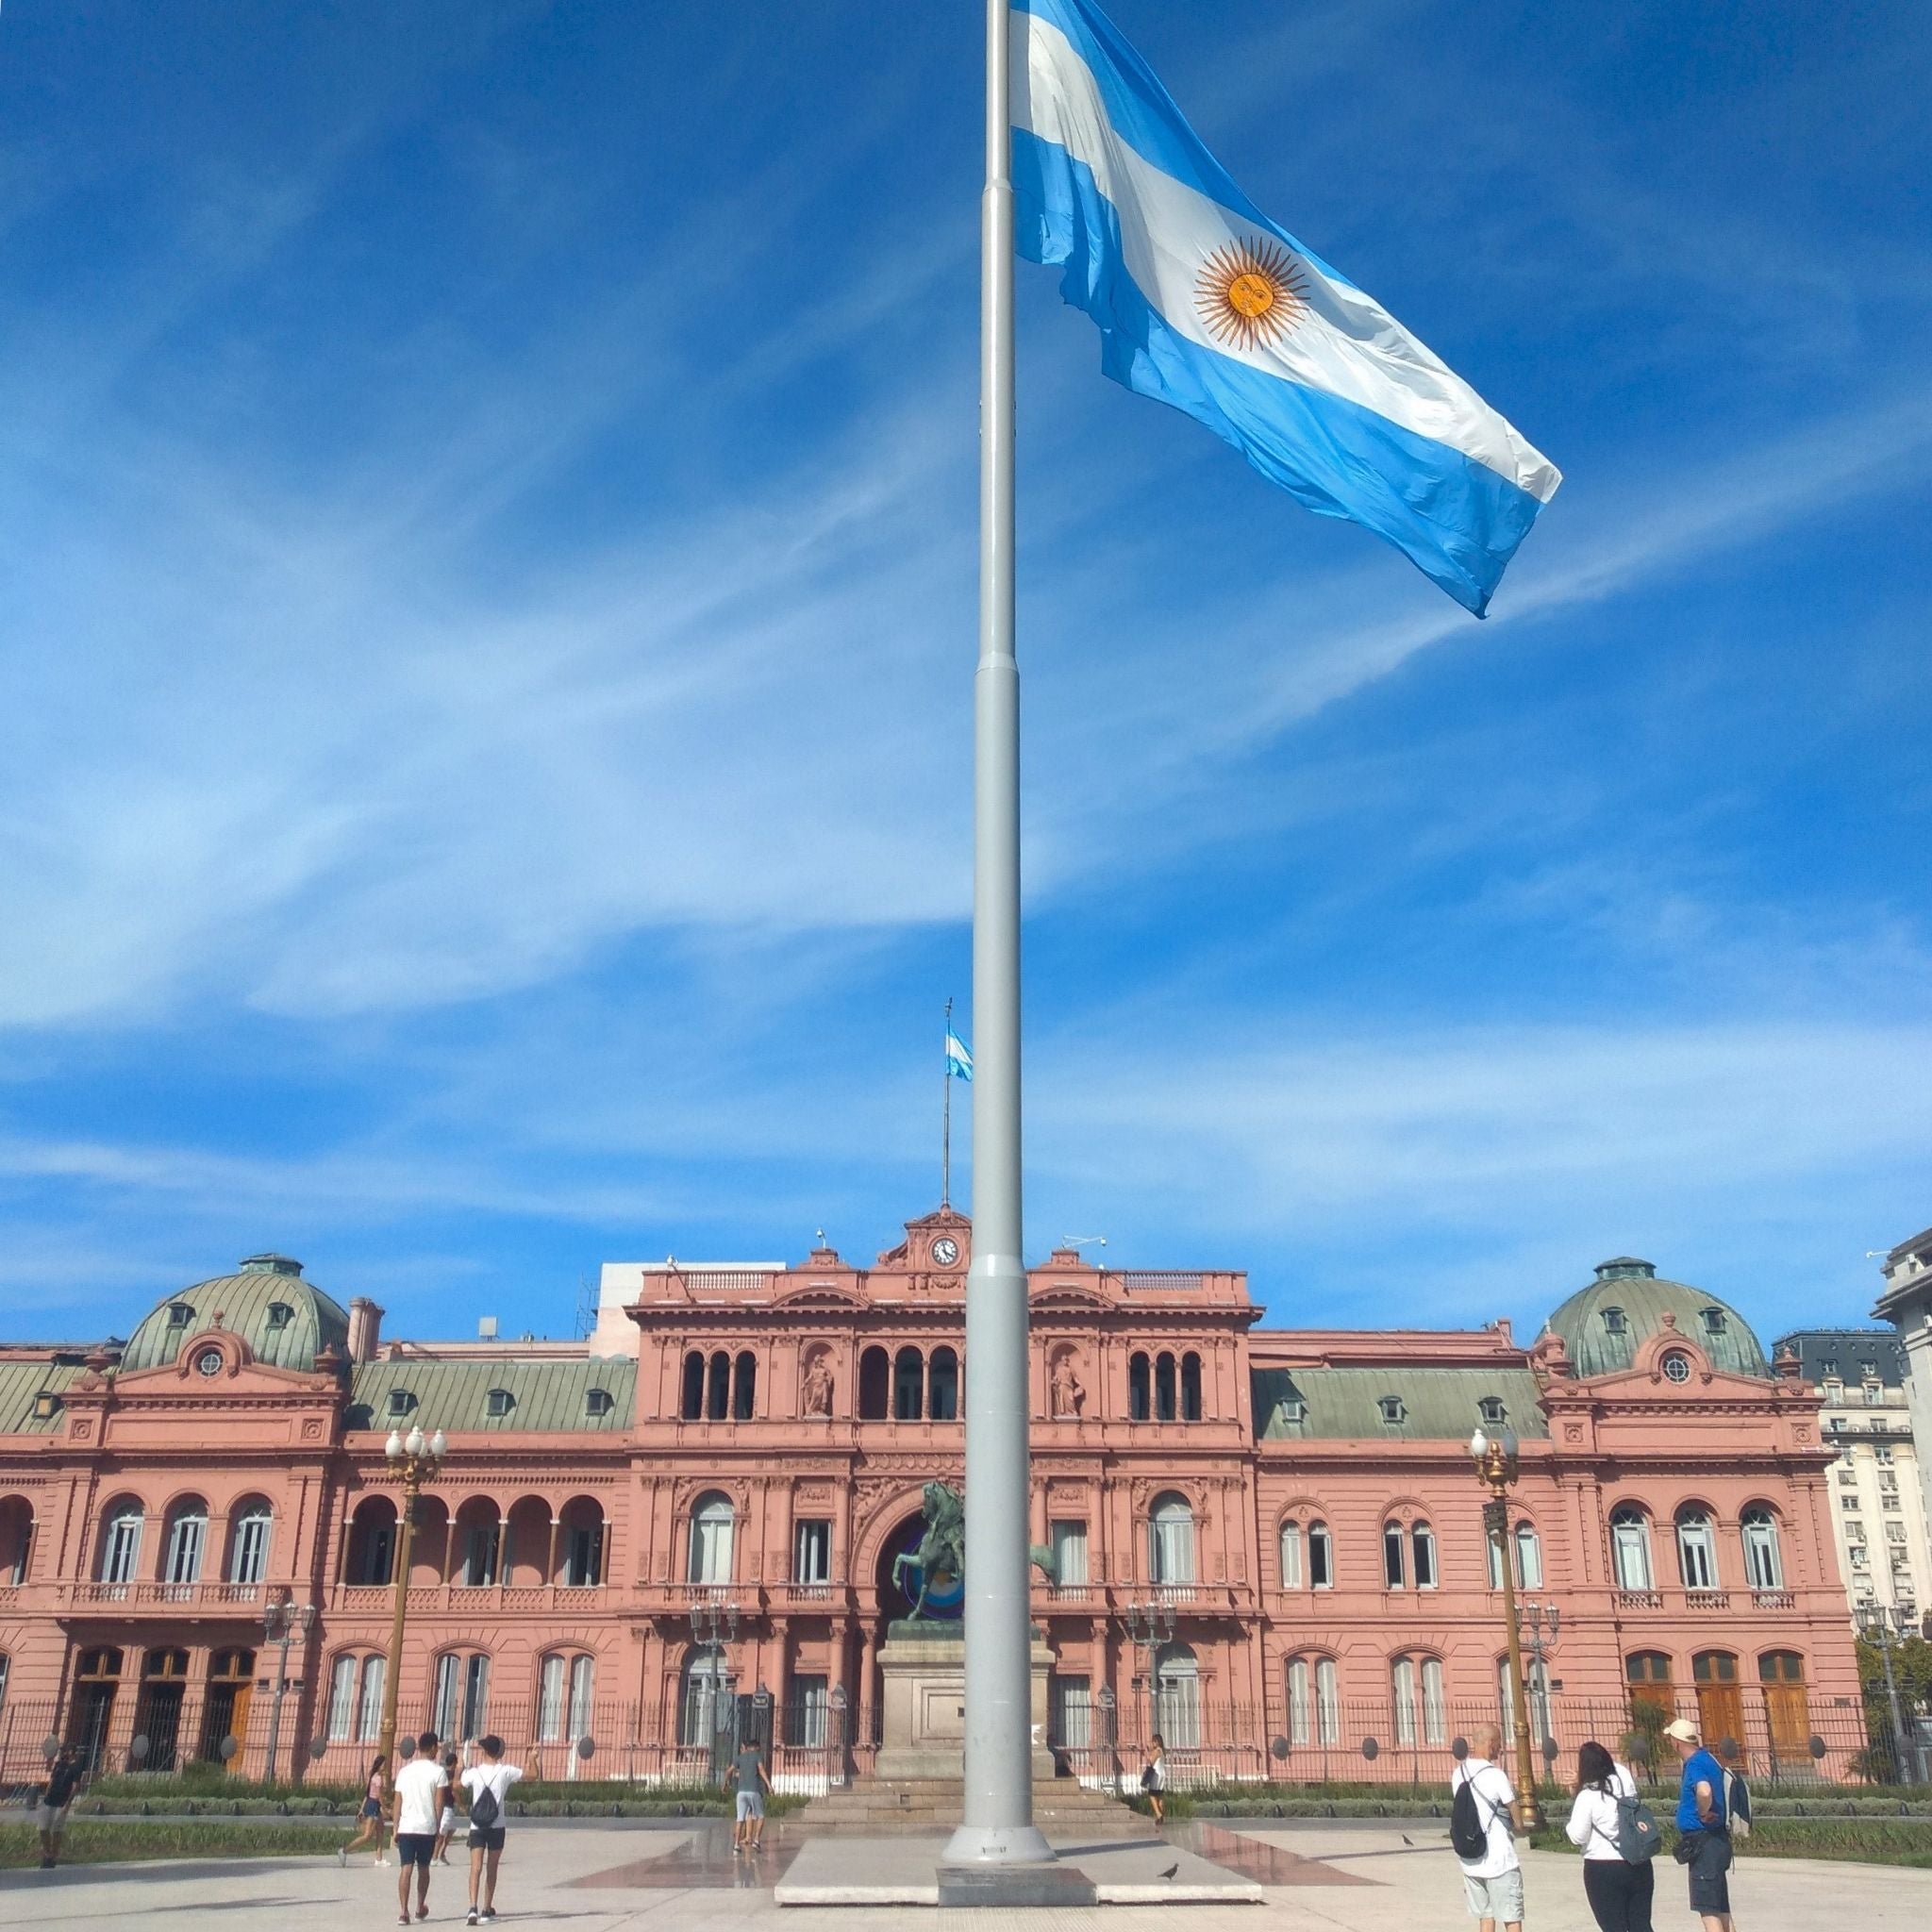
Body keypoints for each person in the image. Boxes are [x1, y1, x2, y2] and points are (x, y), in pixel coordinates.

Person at [1565, 1740, 1655, 1932]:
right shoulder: (1624, 1779)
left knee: (1614, 1926)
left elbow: (1578, 1837)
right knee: (1641, 1924)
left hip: (1603, 1867)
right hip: (1638, 1861)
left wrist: (1577, 1790)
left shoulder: (1588, 1795)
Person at [1664, 1717, 1733, 1932]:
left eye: (1670, 1739)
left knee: (1709, 1913)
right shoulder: (1708, 1758)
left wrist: (1703, 1812)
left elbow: (1704, 1790)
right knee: (1721, 1909)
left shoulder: (1695, 1764)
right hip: (1717, 1841)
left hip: (1704, 1844)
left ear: (1677, 1742)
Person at [1452, 1724, 1523, 1932]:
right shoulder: (1496, 1775)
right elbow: (1513, 1807)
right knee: (1512, 1918)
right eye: (1499, 1744)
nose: (1500, 1750)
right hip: (1500, 1860)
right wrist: (1518, 1826)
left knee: (1485, 1917)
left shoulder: (1458, 1774)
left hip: (1471, 1859)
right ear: (1490, 1744)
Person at [459, 1732, 524, 1925]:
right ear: (499, 1752)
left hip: (477, 1825)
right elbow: (532, 1774)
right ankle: (487, 1909)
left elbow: (459, 1783)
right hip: (497, 1825)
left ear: (484, 1751)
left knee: (475, 1867)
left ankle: (472, 1908)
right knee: (492, 1867)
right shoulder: (505, 1771)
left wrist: (458, 1770)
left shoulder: (474, 1772)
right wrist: (532, 1758)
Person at [391, 1729, 448, 1926]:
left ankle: (403, 1911)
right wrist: (438, 1827)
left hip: (406, 1827)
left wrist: (395, 1826)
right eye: (437, 1747)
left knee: (406, 1868)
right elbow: (439, 1803)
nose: (437, 1751)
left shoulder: (404, 1771)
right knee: (423, 1868)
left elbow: (397, 1800)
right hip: (426, 1827)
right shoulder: (438, 1772)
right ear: (432, 1748)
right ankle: (419, 1906)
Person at [35, 1743, 86, 1869]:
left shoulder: (76, 1767)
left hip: (61, 1802)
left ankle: (52, 1857)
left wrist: (68, 1803)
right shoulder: (59, 1765)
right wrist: (45, 1796)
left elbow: (75, 1786)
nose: (62, 1753)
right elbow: (52, 1781)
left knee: (57, 1830)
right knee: (43, 1828)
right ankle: (47, 1853)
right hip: (49, 1800)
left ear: (71, 1752)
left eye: (64, 1751)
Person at [340, 1754, 388, 1866]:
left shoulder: (373, 1777)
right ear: (380, 1765)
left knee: (380, 1831)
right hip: (374, 1806)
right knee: (367, 1835)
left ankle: (379, 1859)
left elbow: (367, 1795)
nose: (385, 1766)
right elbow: (379, 1796)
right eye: (384, 1764)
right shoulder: (378, 1779)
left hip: (371, 1804)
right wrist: (385, 1808)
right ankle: (345, 1850)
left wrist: (362, 1809)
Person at [726, 1739, 772, 1853]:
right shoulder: (757, 1756)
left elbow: (729, 1771)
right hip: (754, 1791)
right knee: (761, 1816)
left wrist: (725, 1784)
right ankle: (756, 1841)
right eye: (759, 1748)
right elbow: (761, 1769)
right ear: (756, 1747)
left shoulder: (740, 1757)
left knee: (740, 1818)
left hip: (741, 1792)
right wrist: (768, 1785)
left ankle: (736, 1845)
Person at [434, 1750, 460, 1864]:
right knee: (442, 1833)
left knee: (451, 1829)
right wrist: (461, 1804)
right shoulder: (453, 1776)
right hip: (447, 1807)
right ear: (454, 1763)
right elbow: (455, 1792)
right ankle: (434, 1857)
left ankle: (442, 1853)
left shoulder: (442, 1774)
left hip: (448, 1806)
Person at [1141, 1735, 1167, 1824]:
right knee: (1159, 1795)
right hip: (1162, 1773)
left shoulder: (1156, 1751)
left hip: (1156, 1775)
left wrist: (1148, 1753)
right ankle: (1160, 1815)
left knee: (1152, 1795)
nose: (1152, 1743)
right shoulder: (1162, 1751)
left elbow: (1151, 1762)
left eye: (1153, 1742)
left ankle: (1158, 1814)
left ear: (1156, 1742)